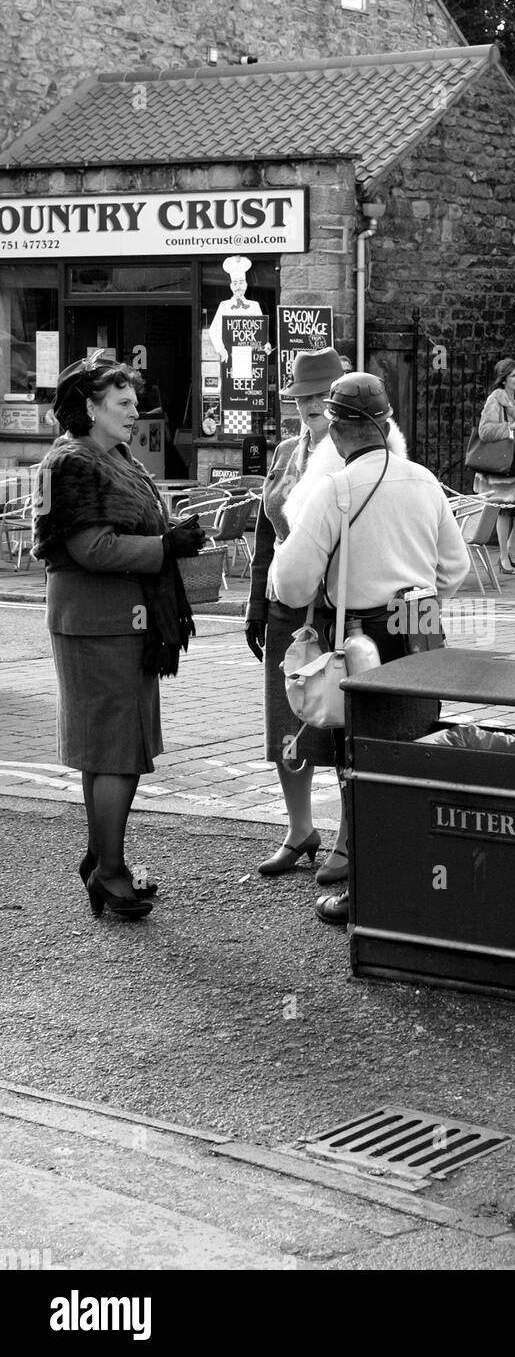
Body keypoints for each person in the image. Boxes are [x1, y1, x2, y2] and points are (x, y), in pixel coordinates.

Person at [272, 371, 470, 926]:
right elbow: (453, 568)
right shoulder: (426, 481)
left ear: (336, 433)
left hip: (362, 637)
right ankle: (421, 876)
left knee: (361, 761)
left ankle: (371, 893)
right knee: (413, 749)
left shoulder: (335, 490)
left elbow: (292, 586)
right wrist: (414, 597)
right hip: (420, 625)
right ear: (386, 424)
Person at [33, 352, 205, 922]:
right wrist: (164, 548)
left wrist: (169, 532)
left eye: (135, 402)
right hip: (99, 622)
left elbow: (127, 526)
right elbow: (90, 549)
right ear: (90, 406)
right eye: (124, 403)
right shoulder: (73, 462)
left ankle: (103, 858)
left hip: (117, 620)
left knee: (110, 750)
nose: (137, 412)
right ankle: (109, 871)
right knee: (117, 752)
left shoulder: (112, 456)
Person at [245, 349, 409, 885]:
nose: (311, 406)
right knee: (288, 722)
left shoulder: (360, 455)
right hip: (285, 606)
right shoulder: (289, 450)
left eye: (320, 396)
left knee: (337, 724)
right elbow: (267, 533)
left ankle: (345, 838)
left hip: (337, 610)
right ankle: (300, 830)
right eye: (302, 397)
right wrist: (254, 601)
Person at [473, 357, 515, 574]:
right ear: (503, 380)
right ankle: (503, 557)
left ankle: (512, 546)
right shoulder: (495, 399)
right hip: (504, 461)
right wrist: (511, 427)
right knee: (504, 510)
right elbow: (485, 431)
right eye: (513, 375)